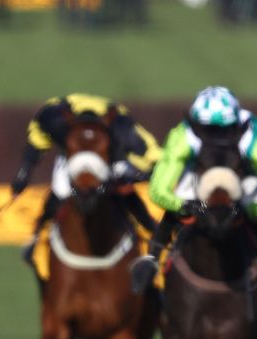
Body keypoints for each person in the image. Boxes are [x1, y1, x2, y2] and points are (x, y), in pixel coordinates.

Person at [132, 85, 257, 307]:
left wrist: (253, 211)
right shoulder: (183, 134)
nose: (216, 136)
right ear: (196, 124)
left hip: (241, 180)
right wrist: (181, 205)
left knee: (254, 191)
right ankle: (152, 258)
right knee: (184, 188)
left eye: (223, 130)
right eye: (208, 129)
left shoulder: (256, 134)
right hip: (197, 180)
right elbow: (159, 189)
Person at [9, 93, 161, 264]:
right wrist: (23, 175)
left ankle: (154, 233)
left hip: (108, 152)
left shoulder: (122, 128)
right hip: (74, 149)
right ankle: (38, 234)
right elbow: (36, 143)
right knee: (61, 190)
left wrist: (133, 179)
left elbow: (155, 160)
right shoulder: (53, 120)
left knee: (123, 187)